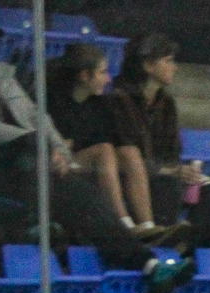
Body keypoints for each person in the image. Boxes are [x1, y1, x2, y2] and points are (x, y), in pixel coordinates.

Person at [0, 13, 194, 293]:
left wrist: (60, 152)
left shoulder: (0, 75)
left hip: (27, 166)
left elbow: (37, 117)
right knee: (59, 180)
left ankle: (148, 264)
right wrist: (40, 146)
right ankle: (141, 257)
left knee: (81, 191)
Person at [45, 43, 182, 243]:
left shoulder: (100, 105)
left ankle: (148, 225)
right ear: (84, 76)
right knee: (104, 150)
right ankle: (123, 223)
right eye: (102, 72)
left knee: (129, 151)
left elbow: (105, 137)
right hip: (60, 163)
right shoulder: (53, 101)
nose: (108, 78)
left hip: (88, 158)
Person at [107, 33, 210, 247]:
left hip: (162, 172)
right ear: (148, 65)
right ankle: (160, 241)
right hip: (129, 179)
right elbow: (124, 151)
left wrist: (181, 170)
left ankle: (197, 253)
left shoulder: (166, 104)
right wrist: (169, 170)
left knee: (205, 185)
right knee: (168, 182)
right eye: (168, 61)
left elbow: (172, 152)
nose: (174, 67)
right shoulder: (118, 101)